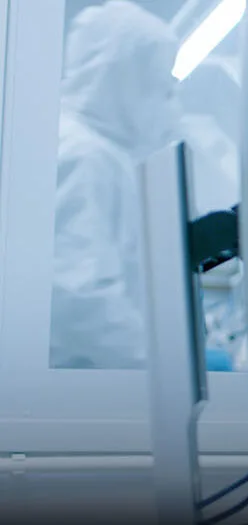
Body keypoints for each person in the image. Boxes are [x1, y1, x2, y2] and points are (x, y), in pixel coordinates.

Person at [51, 0, 184, 369]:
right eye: (160, 84)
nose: (166, 99)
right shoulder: (82, 153)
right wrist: (161, 363)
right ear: (124, 77)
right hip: (79, 378)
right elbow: (80, 296)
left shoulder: (103, 152)